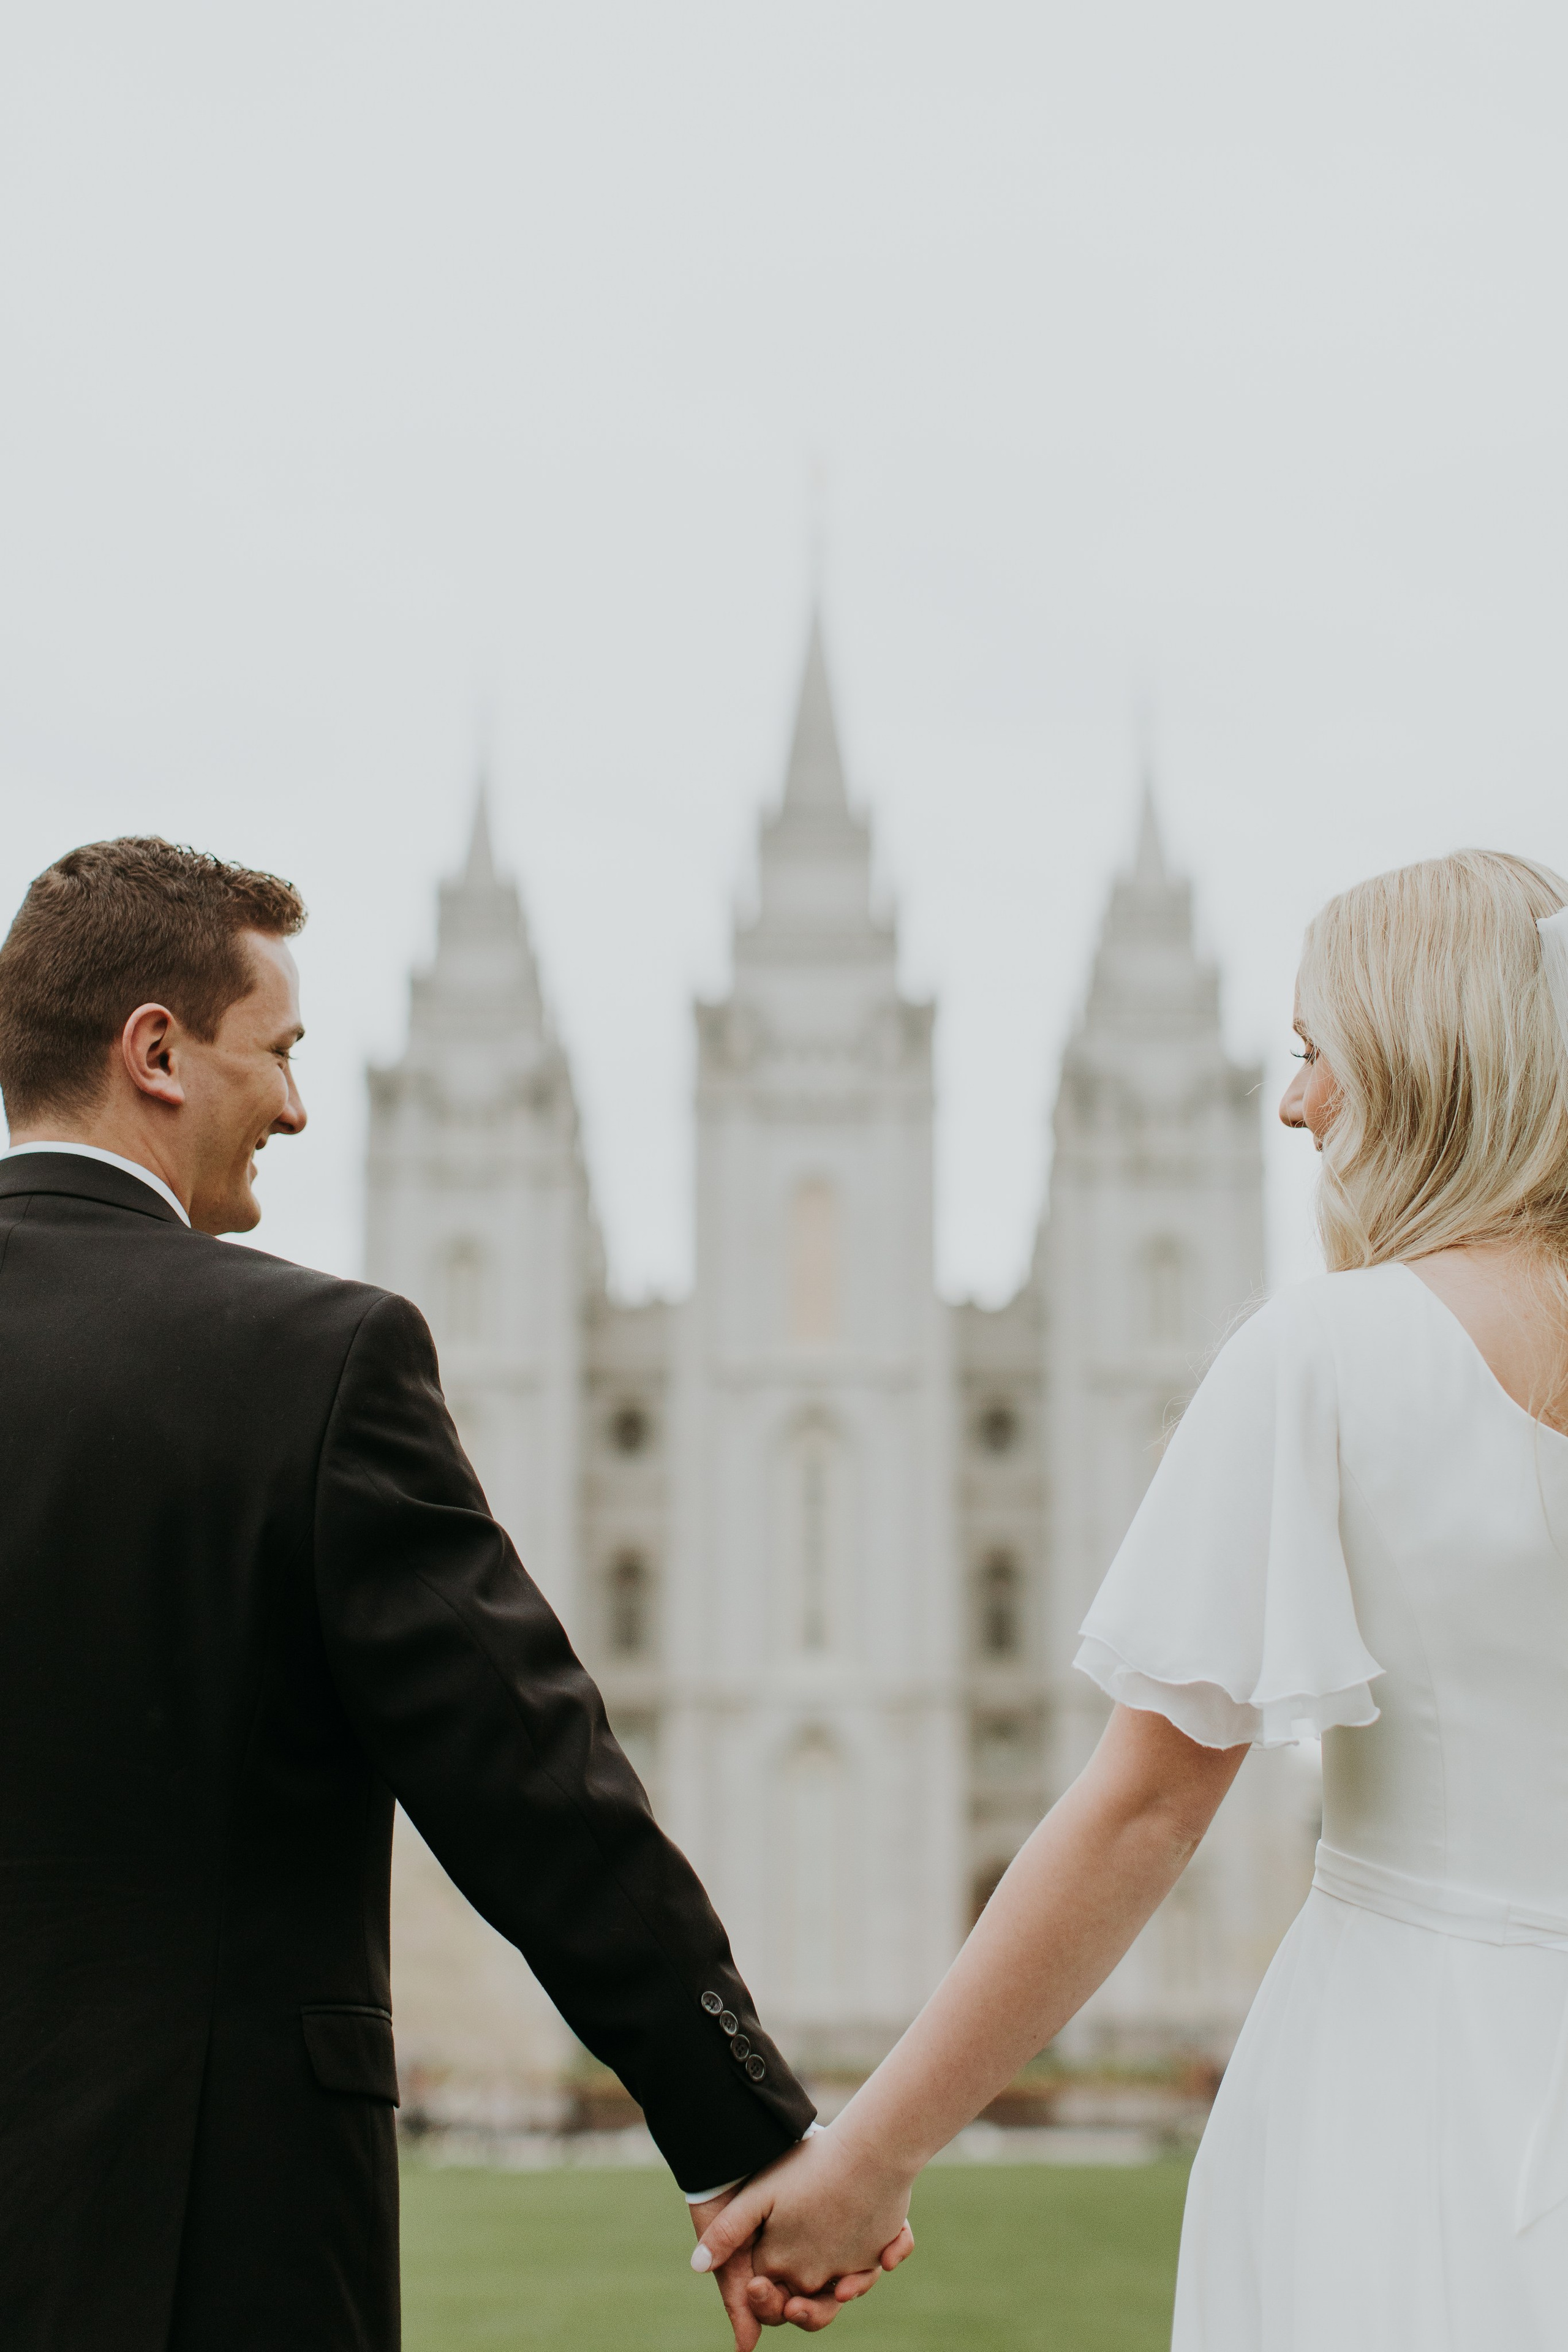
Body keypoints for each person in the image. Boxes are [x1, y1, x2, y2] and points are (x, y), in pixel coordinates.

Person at [0, 835, 876, 2352]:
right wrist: (743, 2133)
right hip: (203, 2229)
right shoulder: (304, 1363)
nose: (295, 1103)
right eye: (276, 1052)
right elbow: (526, 1777)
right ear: (156, 1053)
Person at [699, 846, 1568, 2349]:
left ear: (1420, 1059)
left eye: (1310, 1052)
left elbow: (1142, 1810)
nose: (1289, 1104)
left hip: (1411, 2072)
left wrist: (867, 2159)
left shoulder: (1328, 1357)